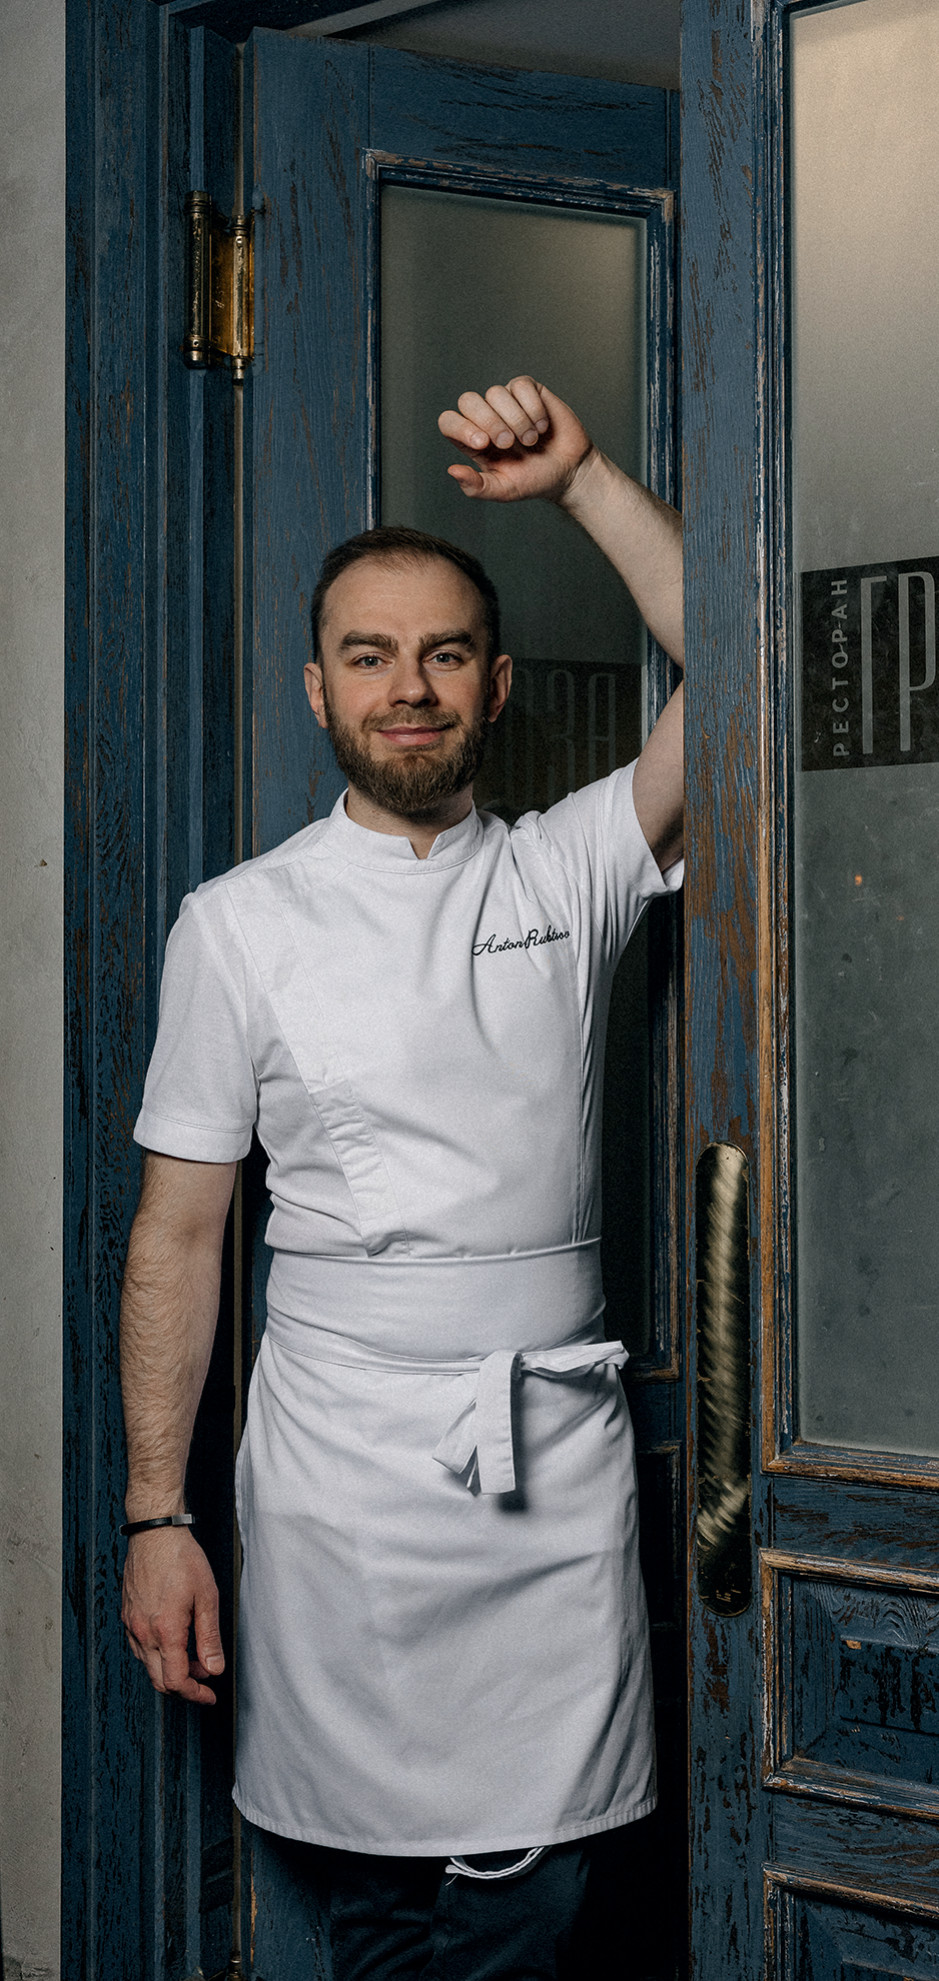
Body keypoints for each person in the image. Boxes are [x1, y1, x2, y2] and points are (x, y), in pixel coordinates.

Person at [120, 376, 684, 1979]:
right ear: (319, 691)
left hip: (551, 1458)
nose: (409, 688)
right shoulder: (239, 923)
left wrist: (581, 478)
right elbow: (178, 1236)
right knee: (362, 1885)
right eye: (370, 656)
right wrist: (157, 1511)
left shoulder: (567, 865)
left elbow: (755, 671)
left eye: (444, 654)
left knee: (547, 1891)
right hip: (343, 1471)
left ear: (495, 686)